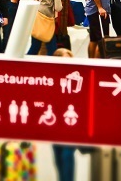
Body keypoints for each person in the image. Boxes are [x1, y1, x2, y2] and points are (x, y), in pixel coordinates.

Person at [52, 48, 76, 180]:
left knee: (67, 156)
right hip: (55, 126)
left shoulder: (76, 78)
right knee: (58, 158)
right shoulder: (52, 79)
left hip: (70, 127)